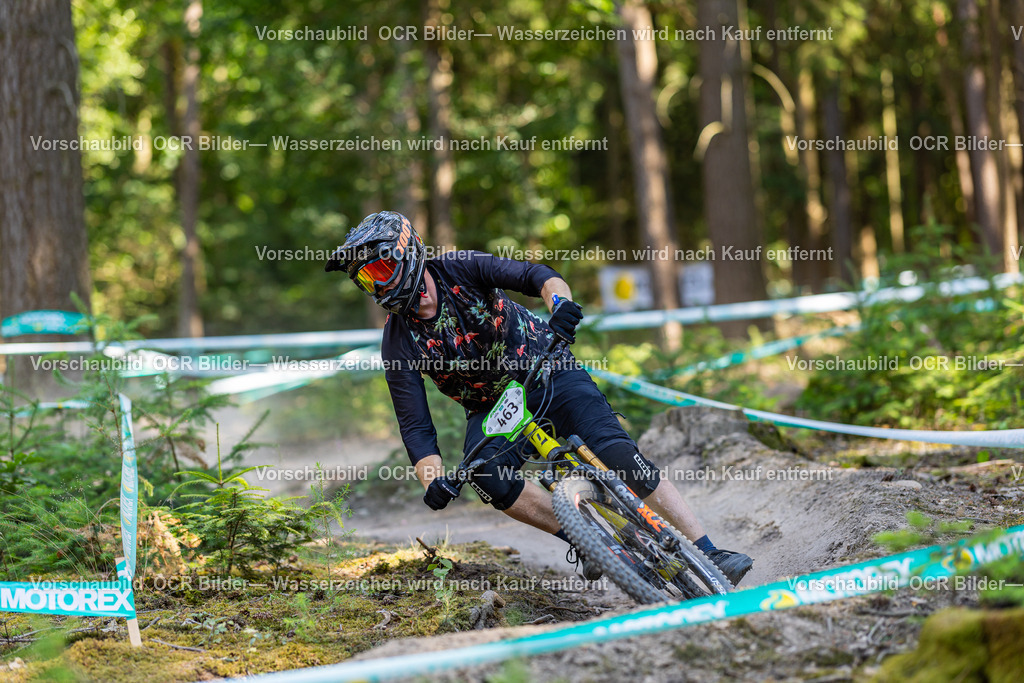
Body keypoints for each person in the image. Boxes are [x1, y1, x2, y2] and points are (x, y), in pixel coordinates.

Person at [326, 211, 753, 586]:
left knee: (617, 453)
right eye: (365, 279)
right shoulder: (397, 341)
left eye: (379, 270)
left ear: (406, 252)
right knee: (487, 476)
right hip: (493, 409)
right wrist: (432, 480)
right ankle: (587, 540)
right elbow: (416, 425)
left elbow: (538, 276)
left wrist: (560, 304)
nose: (375, 284)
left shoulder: (460, 267)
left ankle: (709, 550)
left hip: (547, 367)